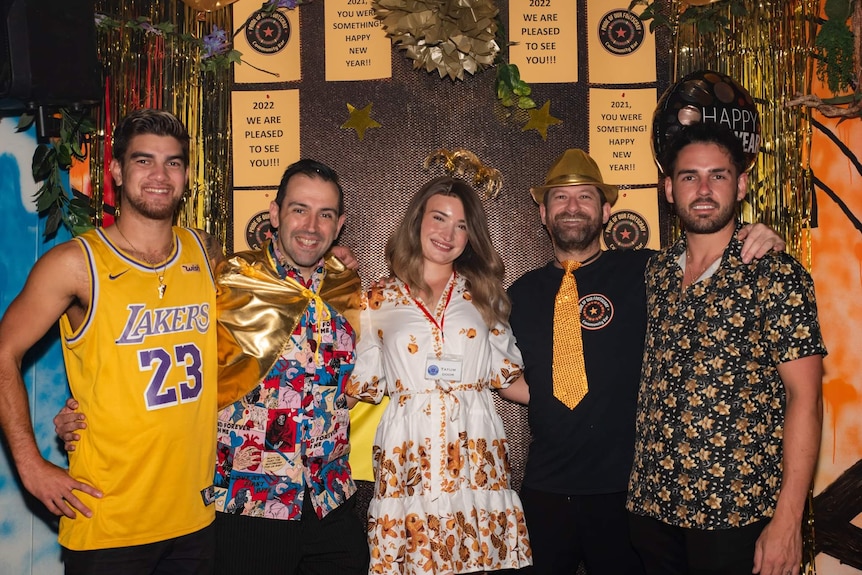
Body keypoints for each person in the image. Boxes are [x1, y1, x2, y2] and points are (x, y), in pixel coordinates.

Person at [502, 148, 786, 575]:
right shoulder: (520, 295)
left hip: (629, 494)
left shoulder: (649, 271)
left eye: (586, 197)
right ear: (543, 212)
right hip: (545, 489)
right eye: (561, 197)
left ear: (606, 209)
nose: (573, 206)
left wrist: (763, 235)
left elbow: (710, 251)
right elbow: (510, 373)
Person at [0, 109, 224, 574]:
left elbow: (267, 300)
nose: (160, 175)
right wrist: (30, 465)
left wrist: (332, 267)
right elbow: (4, 352)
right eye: (144, 161)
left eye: (174, 163)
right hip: (107, 520)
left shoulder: (204, 251)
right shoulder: (74, 265)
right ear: (117, 170)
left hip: (194, 519)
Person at [626, 122, 826, 575]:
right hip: (652, 510)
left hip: (737, 516)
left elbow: (807, 399)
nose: (702, 189)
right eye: (688, 176)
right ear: (668, 188)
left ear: (740, 184)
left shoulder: (775, 274)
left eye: (717, 175)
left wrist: (788, 521)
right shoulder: (656, 272)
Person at [347, 176, 533, 574]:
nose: (448, 233)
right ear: (417, 221)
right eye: (438, 218)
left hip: (474, 450)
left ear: (471, 236)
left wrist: (586, 404)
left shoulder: (486, 294)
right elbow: (359, 385)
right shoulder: (376, 298)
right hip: (408, 453)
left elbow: (511, 381)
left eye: (461, 225)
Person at [212, 159, 369, 574]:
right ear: (275, 212)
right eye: (299, 209)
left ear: (339, 226)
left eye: (325, 214)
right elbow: (165, 357)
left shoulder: (349, 286)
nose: (311, 226)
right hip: (250, 505)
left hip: (329, 502)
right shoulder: (228, 279)